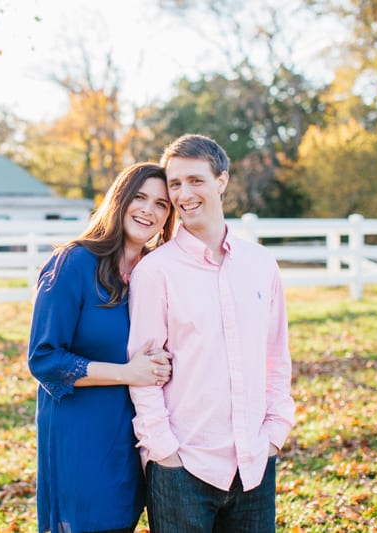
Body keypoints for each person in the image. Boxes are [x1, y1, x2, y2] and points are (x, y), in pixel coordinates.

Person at [127, 134, 296, 532]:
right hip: (183, 465)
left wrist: (274, 434)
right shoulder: (156, 271)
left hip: (254, 461)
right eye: (175, 184)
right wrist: (164, 451)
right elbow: (143, 369)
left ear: (221, 181)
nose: (184, 194)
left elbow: (276, 355)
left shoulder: (261, 264)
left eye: (196, 180)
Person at [28, 162, 178, 533]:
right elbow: (44, 359)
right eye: (139, 197)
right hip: (81, 431)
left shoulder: (155, 271)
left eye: (161, 204)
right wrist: (128, 373)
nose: (149, 210)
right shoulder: (73, 263)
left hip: (133, 435)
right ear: (119, 199)